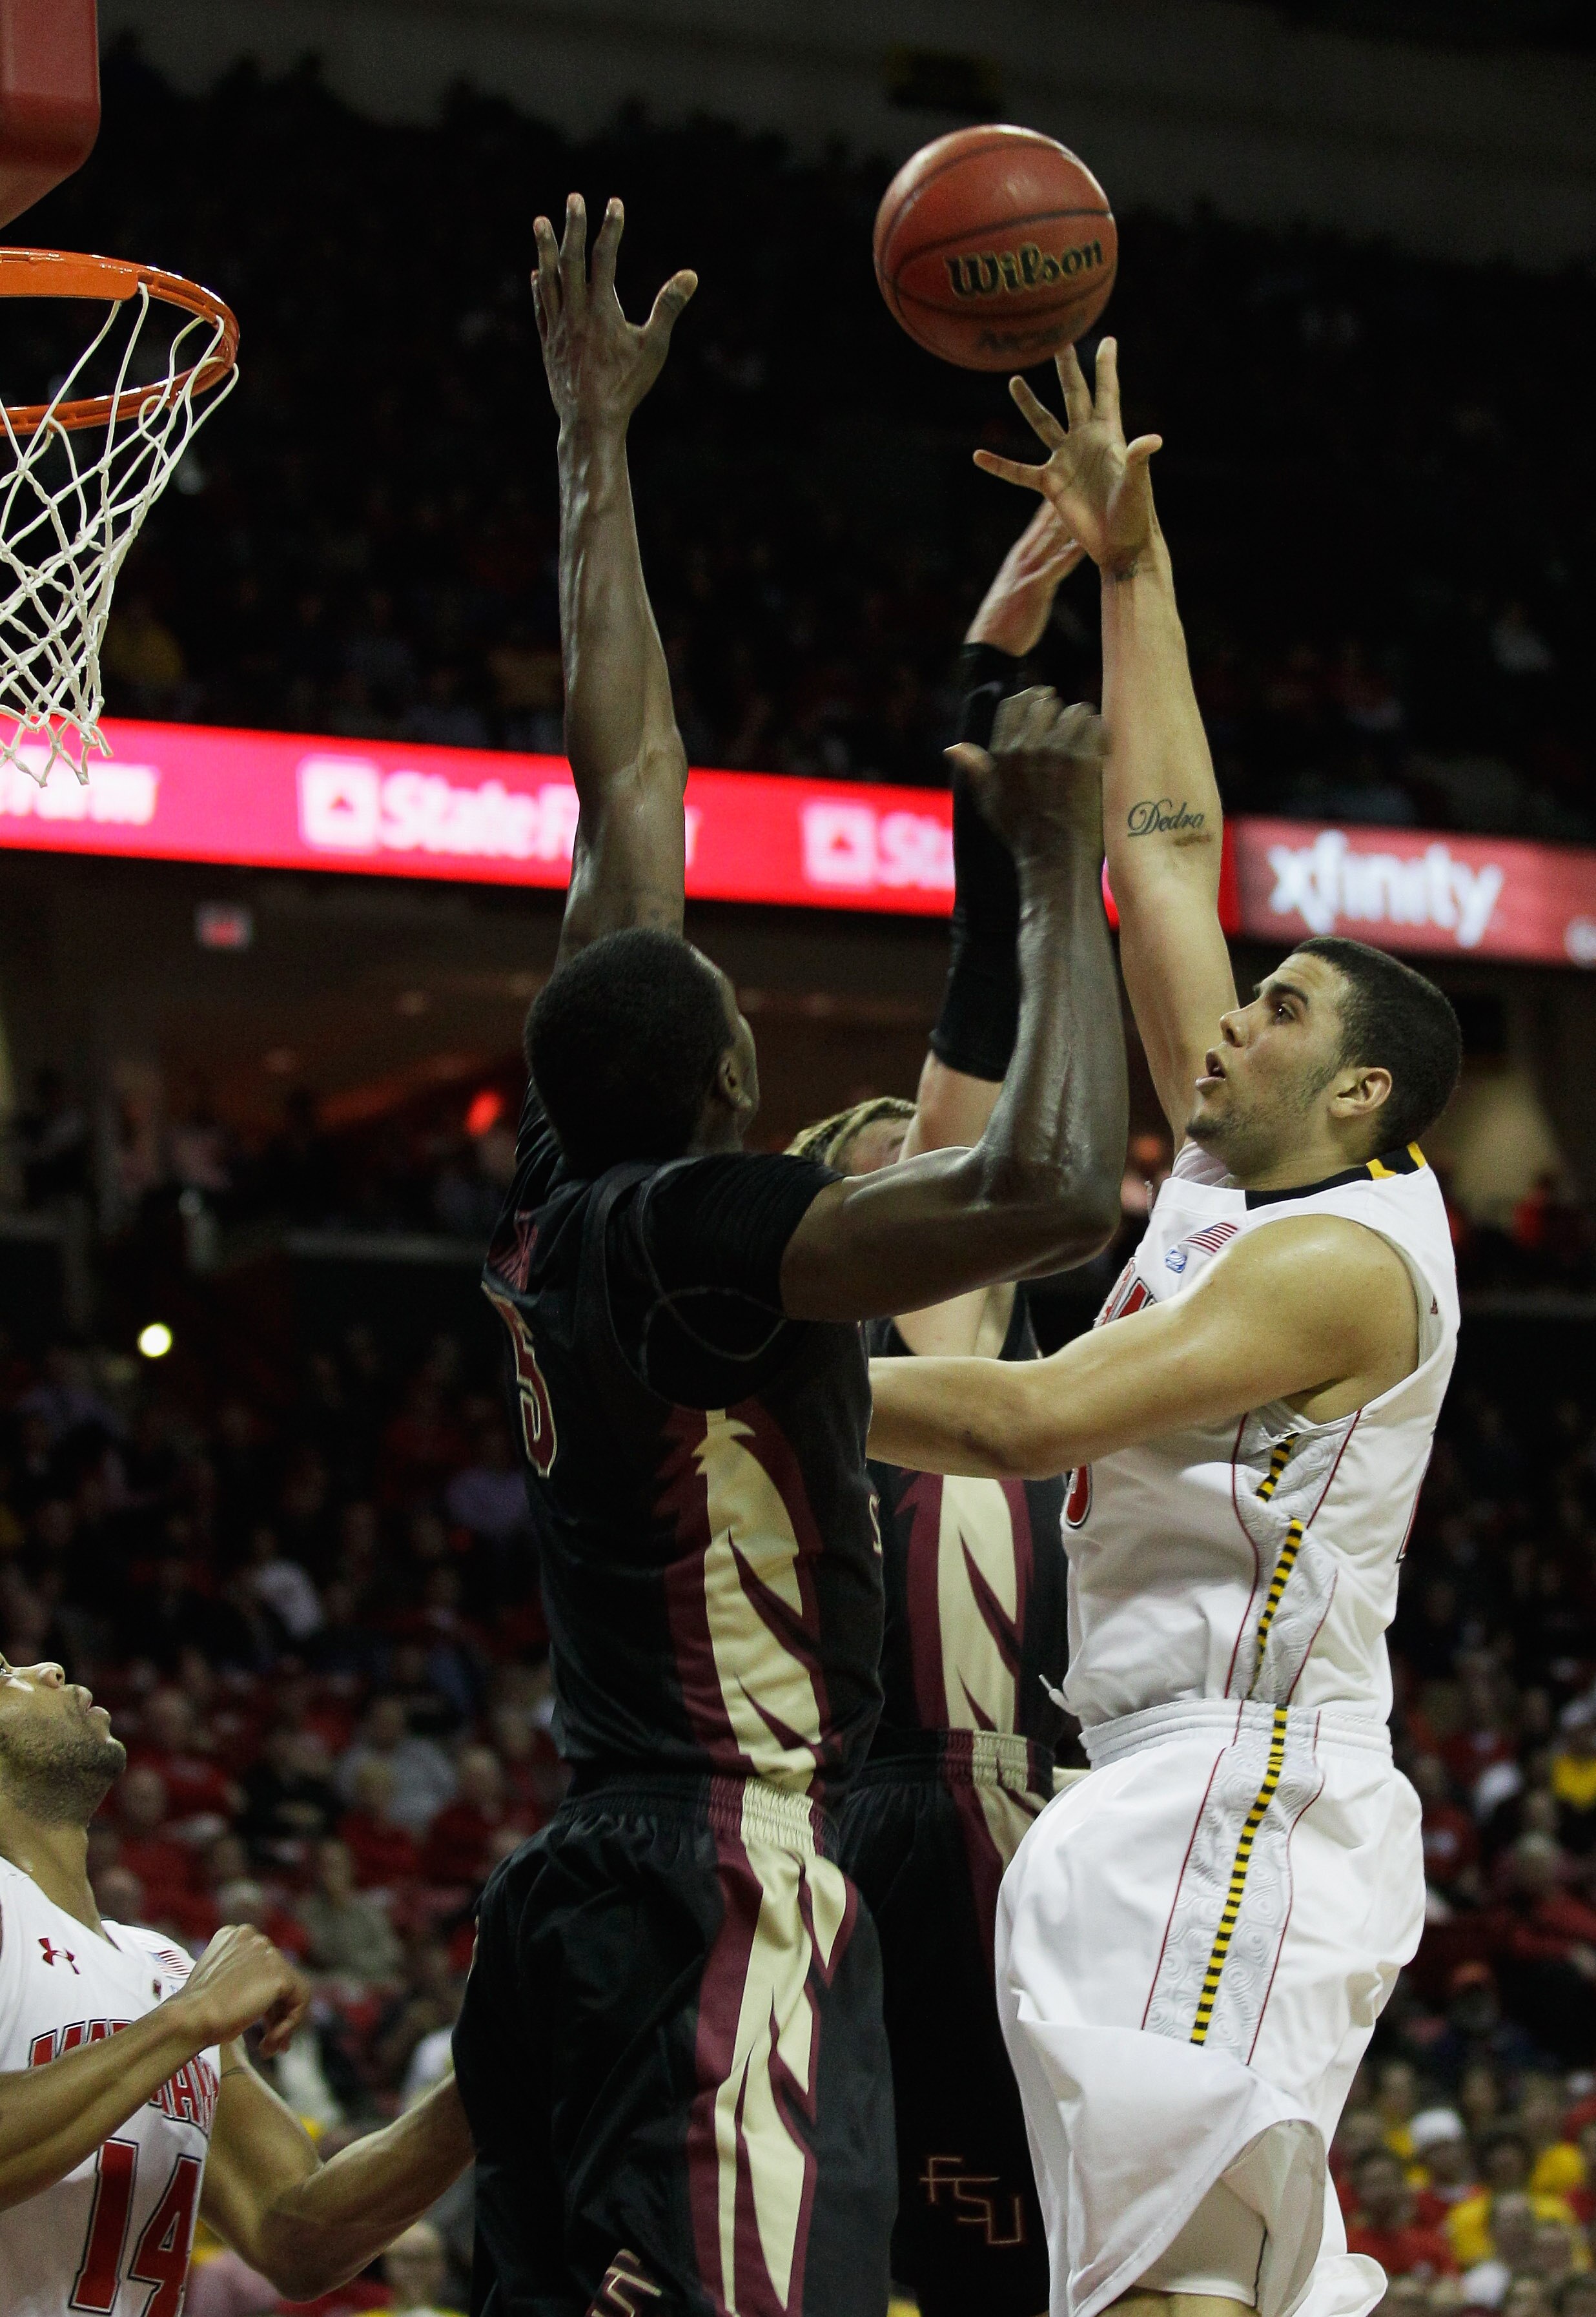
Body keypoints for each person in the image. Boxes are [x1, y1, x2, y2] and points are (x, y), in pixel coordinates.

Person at [453, 194, 1128, 2317]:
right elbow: (1044, 1192)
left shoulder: (572, 1190)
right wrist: (1054, 860)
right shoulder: (703, 1229)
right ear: (734, 1069)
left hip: (583, 1866)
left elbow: (626, 769)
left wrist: (594, 452)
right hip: (727, 1865)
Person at [868, 338, 1464, 2317]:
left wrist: (731, 1358)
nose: (1230, 1018)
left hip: (1240, 1780)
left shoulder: (1345, 1261)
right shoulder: (1240, 1181)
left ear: (1363, 1091)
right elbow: (1164, 844)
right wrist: (1132, 562)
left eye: (1278, 1012)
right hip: (1154, 1781)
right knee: (1163, 2282)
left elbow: (1030, 1415)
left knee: (1172, 2286)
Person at [789, 501, 1086, 2317]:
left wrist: (991, 662)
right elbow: (982, 1010)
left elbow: (989, 983)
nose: (925, 1169)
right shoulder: (828, 1350)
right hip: (889, 1810)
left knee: (1035, 2240)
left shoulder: (966, 1324)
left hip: (1024, 1796)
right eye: (883, 1165)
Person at [0, 1650, 473, 2312]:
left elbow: (294, 2238)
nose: (48, 1669)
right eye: (3, 1677)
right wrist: (186, 2021)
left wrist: (485, 2079)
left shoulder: (162, 1965)